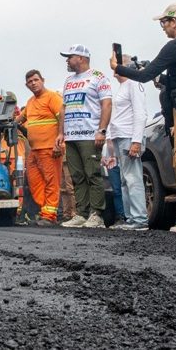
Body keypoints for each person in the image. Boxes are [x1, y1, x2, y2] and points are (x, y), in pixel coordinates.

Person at [114, 2, 176, 232]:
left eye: (164, 22)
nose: (162, 27)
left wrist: (119, 68)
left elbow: (144, 75)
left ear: (174, 22)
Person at [58, 44, 112, 229]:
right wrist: (60, 133)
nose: (67, 60)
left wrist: (102, 130)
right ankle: (81, 213)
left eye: (70, 56)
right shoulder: (68, 80)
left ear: (81, 58)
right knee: (77, 176)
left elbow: (106, 104)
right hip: (71, 136)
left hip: (90, 134)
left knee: (93, 174)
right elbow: (64, 108)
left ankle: (97, 215)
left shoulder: (98, 77)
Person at [16, 70, 64, 226]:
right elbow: (20, 119)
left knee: (52, 182)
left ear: (42, 80)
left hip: (50, 148)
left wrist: (60, 140)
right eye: (30, 82)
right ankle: (46, 211)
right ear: (26, 85)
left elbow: (62, 116)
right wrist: (7, 120)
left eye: (36, 80)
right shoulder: (30, 102)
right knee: (35, 182)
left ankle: (49, 216)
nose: (33, 83)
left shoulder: (52, 97)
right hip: (35, 150)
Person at [106, 55, 148, 230]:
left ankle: (139, 219)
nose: (112, 66)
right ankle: (131, 218)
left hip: (129, 136)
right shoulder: (123, 86)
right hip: (120, 136)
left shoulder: (133, 83)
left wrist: (136, 141)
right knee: (125, 179)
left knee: (133, 178)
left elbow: (140, 113)